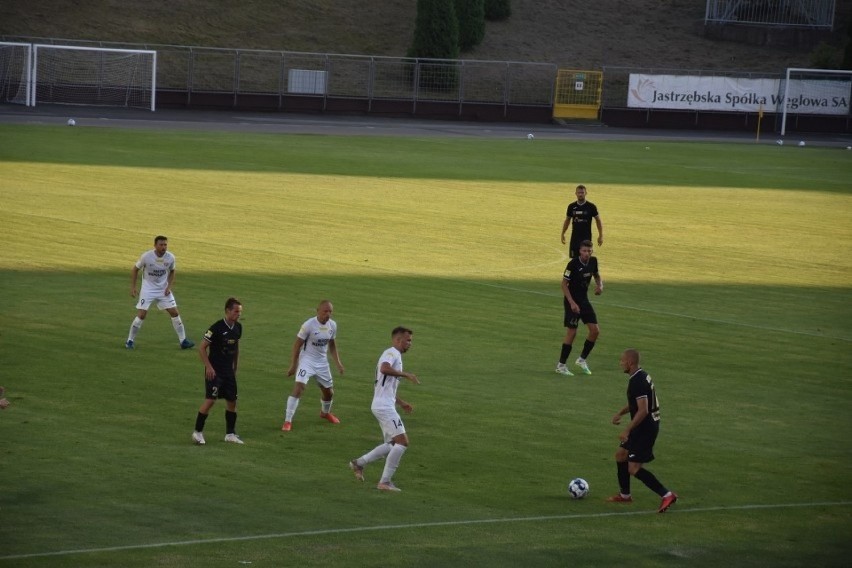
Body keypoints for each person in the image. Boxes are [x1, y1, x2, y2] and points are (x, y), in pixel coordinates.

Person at [349, 326, 420, 492]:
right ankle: (385, 482)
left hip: (382, 403)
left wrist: (401, 402)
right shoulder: (391, 353)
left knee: (392, 443)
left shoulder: (396, 355)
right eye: (407, 340)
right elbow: (384, 368)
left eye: (411, 341)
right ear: (397, 340)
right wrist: (406, 374)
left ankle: (358, 463)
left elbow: (386, 386)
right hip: (383, 406)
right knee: (403, 442)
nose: (410, 343)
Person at [607, 349, 678, 513]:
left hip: (645, 428)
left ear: (630, 362)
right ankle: (625, 496)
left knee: (633, 468)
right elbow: (636, 404)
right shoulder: (640, 375)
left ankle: (666, 494)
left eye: (622, 360)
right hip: (643, 425)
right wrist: (620, 412)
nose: (620, 363)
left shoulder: (637, 381)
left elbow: (643, 410)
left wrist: (627, 430)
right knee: (621, 455)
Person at [282, 300, 345, 431]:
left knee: (329, 393)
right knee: (299, 387)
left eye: (330, 312)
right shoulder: (308, 325)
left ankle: (325, 413)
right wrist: (293, 365)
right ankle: (287, 421)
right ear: (318, 311)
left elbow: (332, 344)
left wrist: (338, 363)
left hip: (322, 363)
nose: (328, 314)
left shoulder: (332, 325)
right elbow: (297, 345)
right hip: (307, 361)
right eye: (325, 311)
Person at [125, 235, 194, 350]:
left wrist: (169, 287)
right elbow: (135, 269)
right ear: (155, 246)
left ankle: (183, 341)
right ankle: (130, 341)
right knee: (142, 315)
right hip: (148, 289)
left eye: (165, 245)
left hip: (163, 289)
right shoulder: (146, 256)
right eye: (161, 245)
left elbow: (172, 271)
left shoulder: (170, 257)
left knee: (175, 312)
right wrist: (133, 287)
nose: (164, 247)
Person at [192, 297, 244, 445]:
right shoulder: (216, 328)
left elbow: (236, 348)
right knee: (210, 400)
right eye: (236, 311)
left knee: (232, 401)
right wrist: (209, 367)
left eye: (240, 312)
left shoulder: (238, 328)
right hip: (215, 371)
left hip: (228, 371)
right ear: (227, 311)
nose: (238, 314)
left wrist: (235, 366)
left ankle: (230, 434)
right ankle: (197, 432)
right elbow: (202, 347)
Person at [556, 239, 602, 376]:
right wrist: (572, 303)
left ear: (592, 251)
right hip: (572, 300)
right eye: (584, 251)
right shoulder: (573, 264)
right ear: (579, 251)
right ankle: (561, 365)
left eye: (589, 251)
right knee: (572, 332)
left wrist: (600, 285)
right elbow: (564, 284)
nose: (586, 253)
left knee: (595, 331)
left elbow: (597, 275)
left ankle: (581, 360)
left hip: (583, 300)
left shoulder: (593, 261)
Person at [560, 184, 603, 258]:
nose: (580, 194)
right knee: (574, 260)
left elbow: (598, 220)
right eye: (579, 192)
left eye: (582, 192)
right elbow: (567, 220)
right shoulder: (571, 206)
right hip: (575, 238)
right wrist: (563, 233)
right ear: (575, 193)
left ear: (586, 193)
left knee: (586, 260)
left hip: (586, 238)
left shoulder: (591, 206)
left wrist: (601, 235)